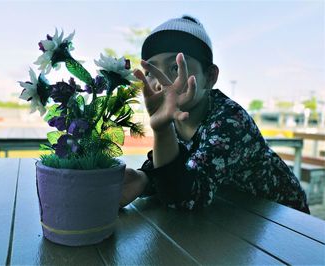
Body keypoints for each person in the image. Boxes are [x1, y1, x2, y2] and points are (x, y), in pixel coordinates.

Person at [120, 15, 310, 214]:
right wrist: (143, 178)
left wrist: (162, 129)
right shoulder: (178, 119)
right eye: (151, 72)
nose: (160, 83)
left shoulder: (230, 120)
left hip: (284, 219)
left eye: (176, 67)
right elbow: (176, 168)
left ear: (210, 77)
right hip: (234, 214)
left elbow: (188, 197)